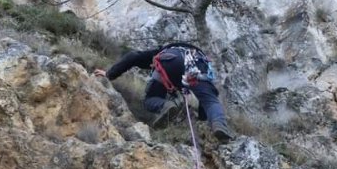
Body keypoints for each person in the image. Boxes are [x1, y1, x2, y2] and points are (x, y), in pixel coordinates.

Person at [95, 42, 235, 141]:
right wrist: (203, 120)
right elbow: (207, 103)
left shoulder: (164, 50)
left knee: (150, 100)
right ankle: (219, 125)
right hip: (197, 65)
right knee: (211, 101)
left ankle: (166, 106)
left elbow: (133, 56)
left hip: (169, 61)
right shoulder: (197, 57)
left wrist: (109, 74)